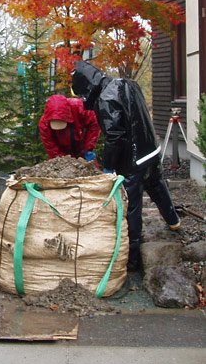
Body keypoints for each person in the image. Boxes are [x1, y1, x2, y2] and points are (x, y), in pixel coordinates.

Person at [71, 60, 180, 271]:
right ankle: (173, 221)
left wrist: (108, 165)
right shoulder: (127, 83)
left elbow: (114, 136)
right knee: (157, 185)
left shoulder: (104, 98)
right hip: (150, 149)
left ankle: (133, 258)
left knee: (132, 205)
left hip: (132, 159)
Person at [39, 94, 100, 160]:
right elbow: (50, 146)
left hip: (81, 142)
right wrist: (60, 159)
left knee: (91, 167)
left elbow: (94, 124)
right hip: (61, 148)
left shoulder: (79, 107)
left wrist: (88, 148)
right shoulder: (44, 124)